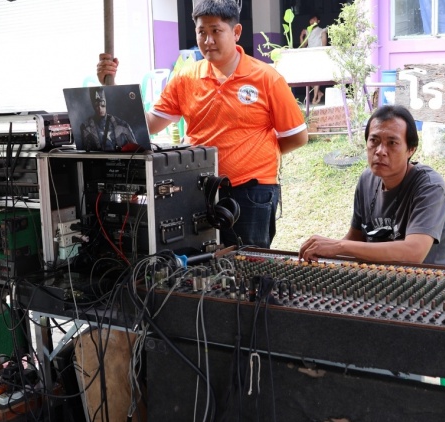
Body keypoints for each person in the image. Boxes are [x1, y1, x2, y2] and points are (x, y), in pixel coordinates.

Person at [96, 0, 308, 249]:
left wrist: (254, 153)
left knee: (248, 264)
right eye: (201, 32)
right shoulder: (186, 77)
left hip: (250, 193)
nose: (208, 40)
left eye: (216, 31)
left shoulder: (266, 78)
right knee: (197, 262)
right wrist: (110, 87)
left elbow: (297, 136)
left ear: (236, 32)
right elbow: (148, 125)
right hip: (195, 189)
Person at [299, 105, 445, 266]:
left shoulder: (430, 187)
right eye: (374, 141)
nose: (380, 151)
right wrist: (324, 252)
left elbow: (413, 253)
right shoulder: (367, 180)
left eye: (392, 143)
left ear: (411, 150)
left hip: (426, 279)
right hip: (378, 275)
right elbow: (355, 238)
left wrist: (339, 246)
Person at [80, 87, 138, 152]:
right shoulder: (86, 127)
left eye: (102, 105)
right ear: (93, 105)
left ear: (105, 103)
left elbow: (136, 150)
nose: (100, 108)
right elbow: (86, 151)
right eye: (96, 105)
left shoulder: (122, 125)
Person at [299, 14, 327, 104]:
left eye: (314, 19)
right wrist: (301, 36)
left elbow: (324, 46)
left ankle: (314, 98)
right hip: (309, 57)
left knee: (316, 77)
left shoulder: (322, 31)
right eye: (311, 20)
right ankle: (319, 93)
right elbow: (303, 46)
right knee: (307, 77)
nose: (312, 21)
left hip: (318, 56)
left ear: (318, 21)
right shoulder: (308, 31)